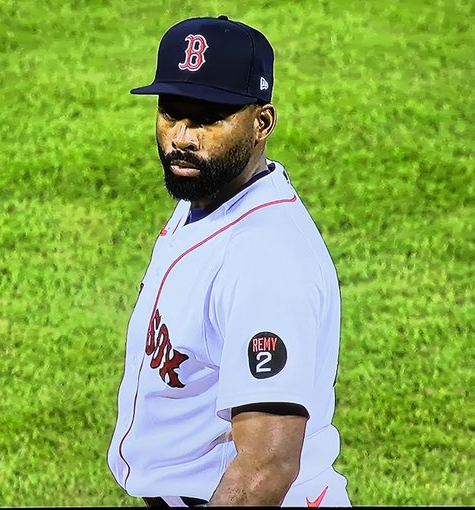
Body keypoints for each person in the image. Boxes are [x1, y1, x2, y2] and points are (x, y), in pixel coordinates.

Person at [106, 15, 351, 507]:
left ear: (262, 123)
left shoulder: (267, 262)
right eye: (171, 111)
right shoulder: (209, 194)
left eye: (209, 118)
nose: (182, 137)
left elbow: (266, 467)